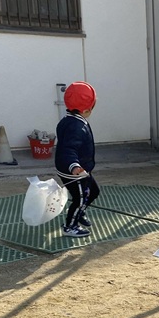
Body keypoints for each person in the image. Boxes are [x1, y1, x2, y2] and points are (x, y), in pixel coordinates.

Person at [55, 81, 99, 238]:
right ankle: (70, 226)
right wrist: (74, 166)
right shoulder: (76, 127)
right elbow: (68, 149)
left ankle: (79, 213)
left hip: (81, 169)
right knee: (80, 199)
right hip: (74, 172)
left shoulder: (69, 120)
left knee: (93, 191)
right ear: (87, 110)